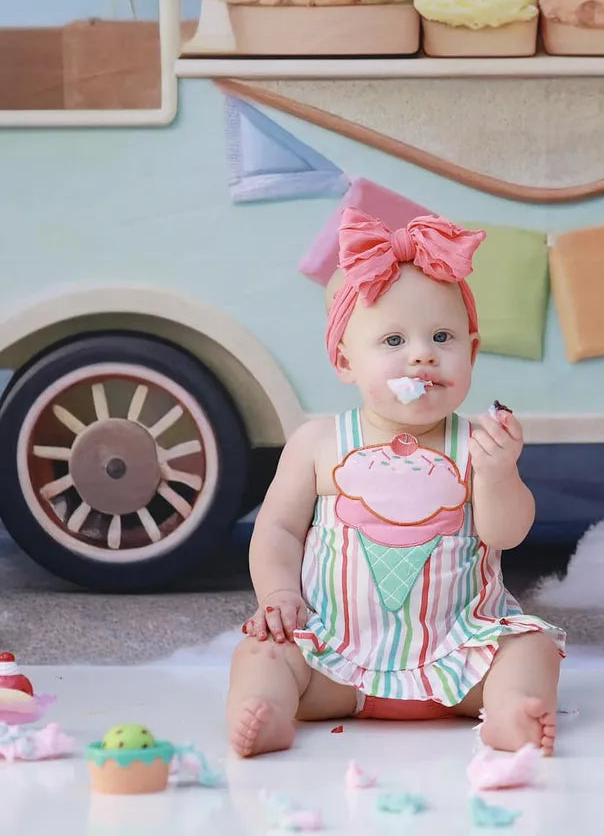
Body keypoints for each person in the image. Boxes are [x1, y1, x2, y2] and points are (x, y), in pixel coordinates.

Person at [225, 208, 564, 758]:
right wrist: (280, 595)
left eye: (442, 336)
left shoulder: (476, 443)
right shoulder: (319, 442)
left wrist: (500, 473)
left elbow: (505, 534)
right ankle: (268, 712)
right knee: (262, 652)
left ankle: (507, 711)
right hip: (334, 661)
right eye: (392, 341)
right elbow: (280, 530)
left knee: (533, 647)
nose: (422, 353)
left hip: (460, 659)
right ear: (344, 360)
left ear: (472, 352)